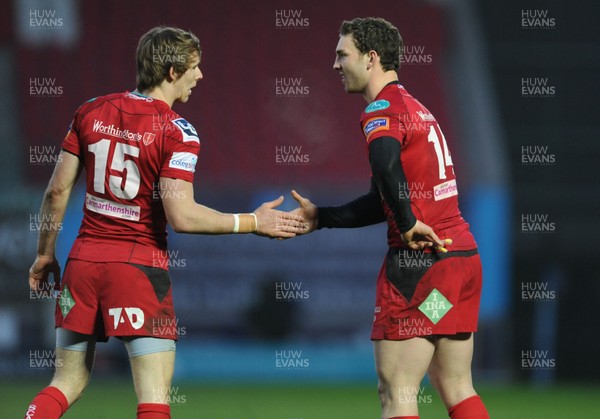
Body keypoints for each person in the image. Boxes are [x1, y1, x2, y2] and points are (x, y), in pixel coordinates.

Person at [25, 26, 305, 419]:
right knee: (153, 398)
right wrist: (252, 222)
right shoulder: (178, 132)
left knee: (65, 383)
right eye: (195, 66)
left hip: (83, 264)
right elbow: (183, 216)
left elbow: (56, 192)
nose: (201, 75)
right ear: (172, 71)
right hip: (138, 270)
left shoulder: (89, 111)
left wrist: (43, 255)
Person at [290, 18, 489, 419]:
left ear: (371, 57)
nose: (335, 65)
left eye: (342, 55)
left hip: (421, 269)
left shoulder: (383, 108)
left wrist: (407, 221)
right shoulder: (417, 109)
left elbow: (385, 166)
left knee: (396, 392)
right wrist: (322, 217)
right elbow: (378, 196)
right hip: (458, 265)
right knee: (455, 385)